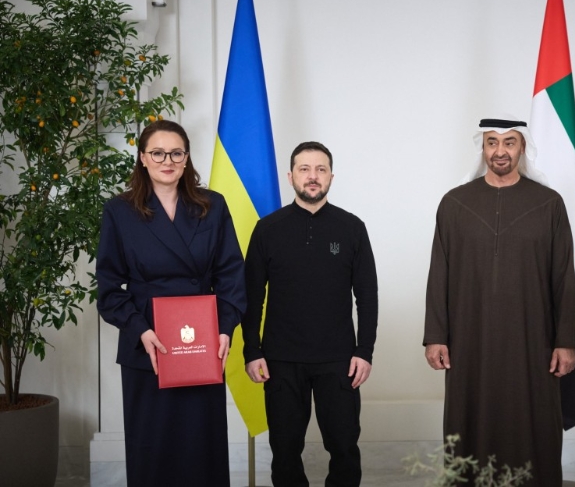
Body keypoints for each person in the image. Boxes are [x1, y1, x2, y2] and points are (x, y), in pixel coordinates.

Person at [424, 117, 575, 486]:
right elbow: (438, 275)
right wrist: (435, 336)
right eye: (492, 142)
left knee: (532, 419)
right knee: (470, 418)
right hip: (468, 340)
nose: (500, 151)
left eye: (509, 142)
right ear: (483, 148)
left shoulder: (548, 204)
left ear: (521, 147)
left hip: (533, 342)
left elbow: (563, 278)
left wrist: (566, 341)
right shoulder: (454, 203)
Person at [96, 119, 246, 486]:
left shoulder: (213, 205)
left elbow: (232, 275)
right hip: (148, 344)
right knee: (154, 449)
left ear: (186, 158)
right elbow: (109, 288)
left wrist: (225, 328)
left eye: (176, 152)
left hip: (202, 343)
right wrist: (140, 329)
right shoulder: (119, 211)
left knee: (201, 449)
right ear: (143, 159)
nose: (168, 160)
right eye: (158, 153)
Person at [242, 141, 378, 487]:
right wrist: (252, 351)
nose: (313, 177)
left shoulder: (352, 228)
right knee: (285, 450)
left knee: (345, 447)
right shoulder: (267, 229)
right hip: (281, 359)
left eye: (320, 169)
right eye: (305, 169)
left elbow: (367, 296)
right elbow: (252, 296)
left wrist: (364, 352)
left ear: (331, 176)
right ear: (291, 177)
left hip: (339, 359)